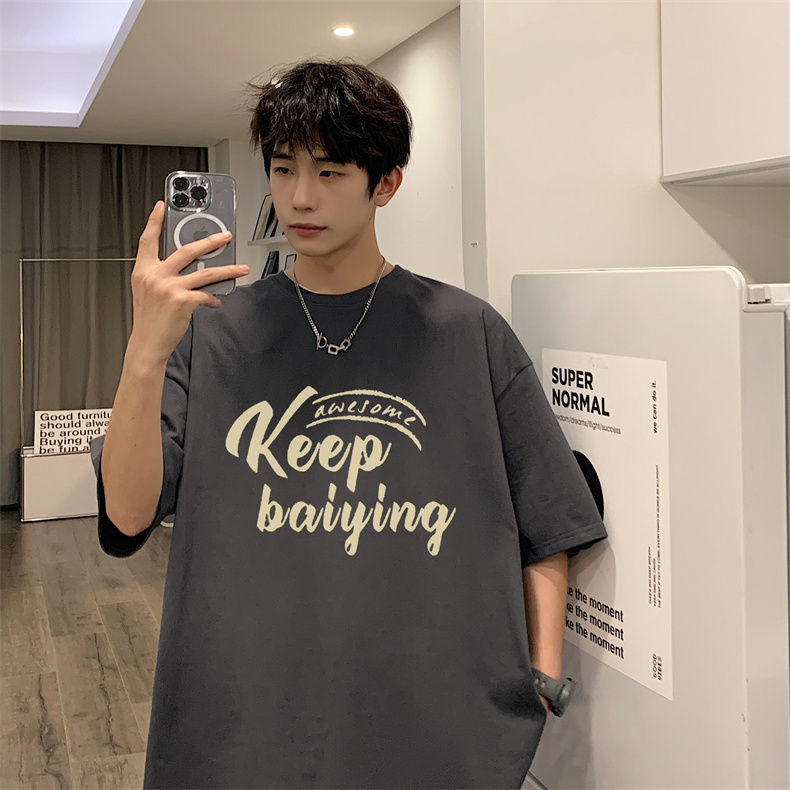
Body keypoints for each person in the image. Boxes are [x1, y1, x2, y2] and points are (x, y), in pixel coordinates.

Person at [90, 57, 607, 789]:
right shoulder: (211, 333)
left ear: (385, 183)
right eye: (283, 169)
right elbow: (127, 515)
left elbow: (547, 521)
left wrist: (542, 676)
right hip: (244, 726)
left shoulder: (466, 332)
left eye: (330, 173)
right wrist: (144, 351)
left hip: (430, 729)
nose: (300, 197)